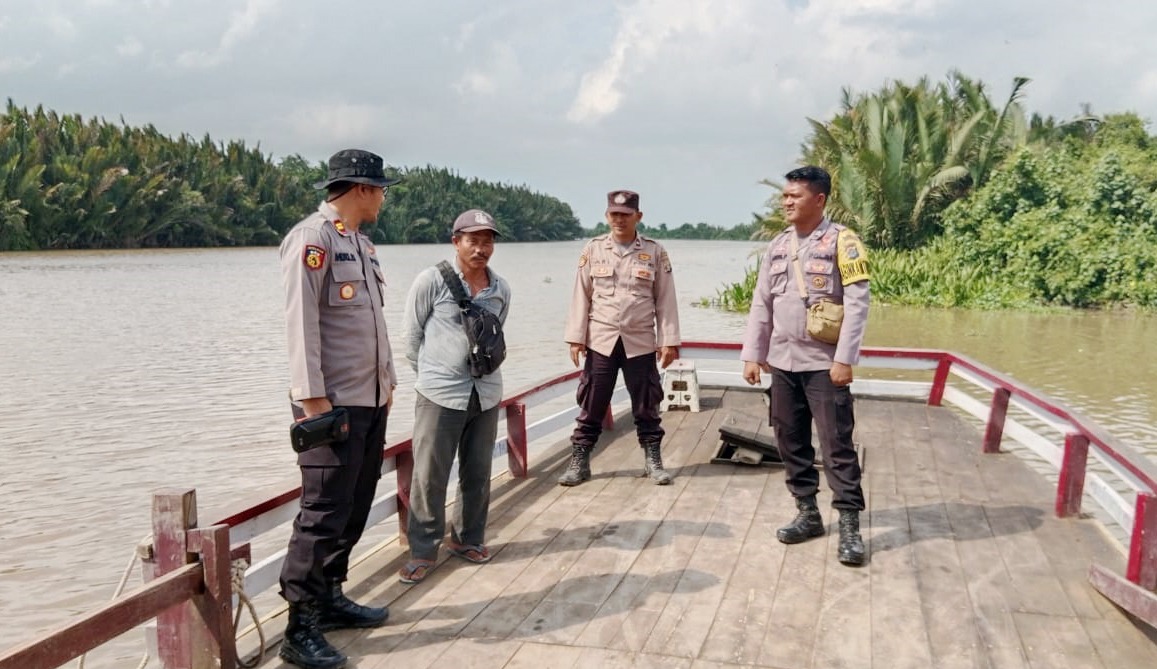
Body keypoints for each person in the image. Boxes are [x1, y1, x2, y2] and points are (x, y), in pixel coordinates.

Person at [278, 148, 399, 669]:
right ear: (361, 190)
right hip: (332, 403)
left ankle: (330, 598)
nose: (382, 198)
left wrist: (388, 383)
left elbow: (369, 325)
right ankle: (299, 627)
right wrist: (312, 400)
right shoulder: (313, 240)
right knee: (323, 511)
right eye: (380, 189)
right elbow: (300, 323)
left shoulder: (362, 246)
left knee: (355, 501)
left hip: (370, 399)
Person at [739, 165, 870, 566]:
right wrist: (752, 353)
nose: (786, 202)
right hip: (782, 362)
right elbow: (762, 302)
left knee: (836, 445)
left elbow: (858, 304)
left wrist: (845, 359)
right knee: (789, 440)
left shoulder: (842, 242)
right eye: (784, 196)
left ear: (819, 200)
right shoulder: (777, 245)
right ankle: (808, 513)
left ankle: (848, 526)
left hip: (823, 365)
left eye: (794, 196)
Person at [398, 209, 511, 585]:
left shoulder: (501, 289)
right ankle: (422, 550)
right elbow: (411, 340)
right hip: (439, 394)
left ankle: (468, 539)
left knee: (478, 472)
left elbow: (494, 335)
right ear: (456, 242)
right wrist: (434, 377)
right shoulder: (431, 280)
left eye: (488, 241)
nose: (481, 249)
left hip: (486, 391)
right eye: (473, 240)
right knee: (430, 475)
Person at [560, 190, 681, 487]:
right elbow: (581, 296)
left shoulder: (654, 252)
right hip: (601, 339)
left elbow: (665, 299)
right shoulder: (593, 249)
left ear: (638, 217)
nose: (619, 219)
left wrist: (669, 341)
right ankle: (580, 461)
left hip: (639, 341)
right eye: (614, 214)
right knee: (592, 403)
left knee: (646, 405)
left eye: (626, 215)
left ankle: (653, 460)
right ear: (606, 216)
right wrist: (576, 338)